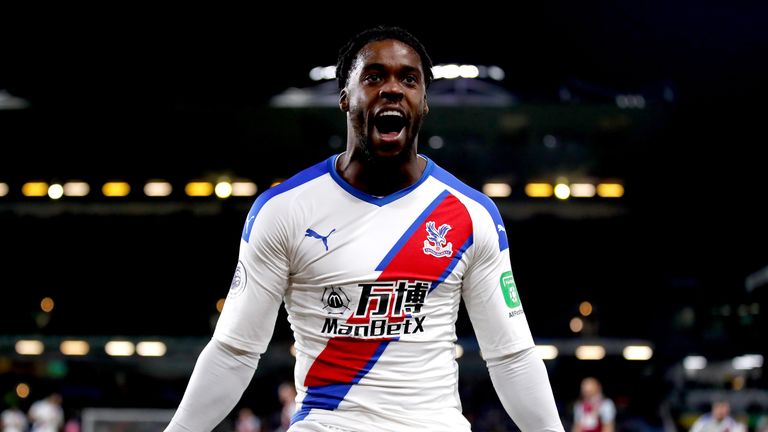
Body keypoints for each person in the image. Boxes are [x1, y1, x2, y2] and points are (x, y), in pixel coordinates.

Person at [164, 25, 564, 432]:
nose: (392, 89)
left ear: (424, 102)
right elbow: (234, 351)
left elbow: (511, 356)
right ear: (344, 97)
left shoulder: (471, 214)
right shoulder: (283, 210)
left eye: (409, 79)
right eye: (373, 77)